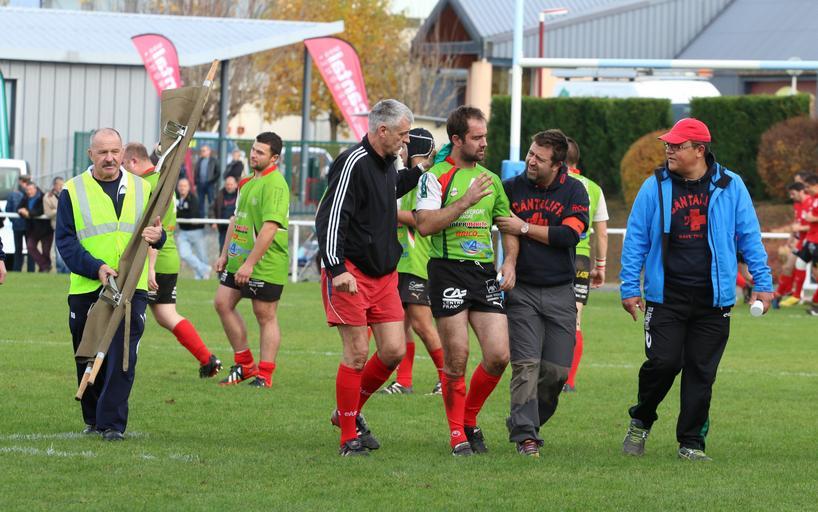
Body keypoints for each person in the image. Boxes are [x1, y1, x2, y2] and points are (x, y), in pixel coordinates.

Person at [619, 118, 773, 461]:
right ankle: (641, 419)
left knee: (701, 373)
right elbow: (636, 239)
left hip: (714, 300)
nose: (669, 151)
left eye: (677, 146)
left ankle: (691, 443)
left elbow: (749, 236)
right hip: (666, 298)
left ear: (699, 150)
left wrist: (763, 282)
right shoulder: (655, 186)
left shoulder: (731, 185)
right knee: (663, 364)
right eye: (668, 145)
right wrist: (629, 286)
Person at [315, 99, 426, 456]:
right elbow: (329, 218)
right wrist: (337, 268)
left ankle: (346, 413)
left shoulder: (388, 164)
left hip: (384, 275)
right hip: (351, 272)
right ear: (382, 130)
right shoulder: (353, 163)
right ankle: (348, 437)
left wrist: (418, 171)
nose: (407, 141)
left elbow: (388, 191)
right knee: (357, 353)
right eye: (403, 134)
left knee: (393, 350)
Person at [415, 106, 516, 456]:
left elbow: (507, 224)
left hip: (483, 272)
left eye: (485, 136)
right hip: (447, 271)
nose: (484, 143)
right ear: (457, 139)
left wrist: (510, 260)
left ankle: (469, 419)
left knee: (499, 355)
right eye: (477, 137)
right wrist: (465, 201)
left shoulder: (491, 179)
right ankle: (457, 433)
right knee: (457, 358)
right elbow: (425, 225)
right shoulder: (434, 177)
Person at [55, 127, 165, 441]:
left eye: (115, 151)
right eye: (102, 152)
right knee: (86, 352)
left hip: (131, 286)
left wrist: (159, 237)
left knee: (123, 355)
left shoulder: (143, 189)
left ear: (123, 153)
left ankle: (112, 424)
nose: (109, 158)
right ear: (90, 154)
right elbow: (65, 241)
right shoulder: (72, 191)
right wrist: (96, 268)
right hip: (87, 286)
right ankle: (93, 418)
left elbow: (157, 234)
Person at [495, 129, 589, 457]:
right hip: (521, 290)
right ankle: (526, 437)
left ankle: (526, 423)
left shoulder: (575, 190)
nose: (531, 161)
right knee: (525, 365)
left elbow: (568, 235)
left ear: (557, 165)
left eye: (539, 158)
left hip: (560, 291)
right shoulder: (511, 187)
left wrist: (523, 227)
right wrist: (510, 258)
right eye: (531, 153)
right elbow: (504, 226)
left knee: (556, 373)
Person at [123, 142, 223, 378]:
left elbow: (153, 230)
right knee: (166, 315)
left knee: (126, 314)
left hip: (154, 259)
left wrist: (150, 268)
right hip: (168, 256)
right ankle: (207, 359)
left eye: (124, 164)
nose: (122, 170)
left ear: (133, 162)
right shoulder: (162, 181)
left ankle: (118, 365)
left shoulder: (147, 185)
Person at [214, 132, 290, 388]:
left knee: (264, 314)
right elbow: (235, 219)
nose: (253, 155)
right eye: (253, 150)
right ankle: (245, 365)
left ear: (274, 158)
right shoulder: (246, 182)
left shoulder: (276, 184)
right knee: (222, 303)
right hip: (239, 261)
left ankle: (264, 375)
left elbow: (270, 227)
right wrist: (224, 254)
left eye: (260, 152)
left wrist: (250, 264)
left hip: (266, 263)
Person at [379, 128, 446, 396]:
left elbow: (421, 219)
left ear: (415, 148)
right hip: (402, 261)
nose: (400, 150)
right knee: (401, 323)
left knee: (421, 323)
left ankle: (447, 378)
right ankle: (404, 381)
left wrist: (388, 211)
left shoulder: (426, 180)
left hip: (419, 261)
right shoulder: (409, 178)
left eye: (405, 146)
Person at [563, 137, 609, 392]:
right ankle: (568, 382)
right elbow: (601, 234)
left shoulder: (552, 183)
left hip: (554, 255)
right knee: (575, 319)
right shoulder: (594, 188)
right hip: (581, 258)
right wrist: (600, 267)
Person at [779, 175, 816, 308]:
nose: (791, 196)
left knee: (813, 272)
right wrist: (792, 238)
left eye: (806, 186)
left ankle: (789, 294)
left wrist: (803, 225)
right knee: (792, 265)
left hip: (811, 240)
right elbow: (798, 223)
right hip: (806, 241)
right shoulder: (800, 204)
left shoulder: (812, 201)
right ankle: (790, 294)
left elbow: (809, 223)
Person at [791, 174, 818, 315]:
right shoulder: (813, 199)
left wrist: (813, 218)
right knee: (801, 264)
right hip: (811, 240)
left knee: (816, 272)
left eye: (808, 187)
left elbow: (812, 218)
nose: (806, 189)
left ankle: (815, 303)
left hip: (816, 241)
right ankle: (797, 295)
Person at [175, 178, 211, 279]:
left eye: (184, 186)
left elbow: (192, 214)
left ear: (188, 188)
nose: (182, 188)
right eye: (180, 186)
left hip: (196, 231)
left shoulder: (193, 198)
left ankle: (201, 277)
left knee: (201, 255)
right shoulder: (176, 198)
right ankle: (204, 269)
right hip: (183, 231)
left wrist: (179, 212)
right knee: (184, 254)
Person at [18, 181, 53, 272]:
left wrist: (28, 213)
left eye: (30, 189)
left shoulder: (44, 197)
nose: (28, 192)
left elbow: (41, 210)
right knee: (30, 246)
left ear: (35, 189)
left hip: (46, 229)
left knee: (46, 251)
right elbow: (19, 208)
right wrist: (22, 212)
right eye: (27, 190)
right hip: (33, 229)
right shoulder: (25, 198)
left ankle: (43, 269)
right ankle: (45, 266)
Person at [5, 175, 34, 272]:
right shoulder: (32, 193)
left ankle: (17, 270)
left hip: (18, 226)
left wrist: (13, 220)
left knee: (18, 250)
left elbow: (8, 209)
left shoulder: (13, 194)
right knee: (30, 249)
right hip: (29, 225)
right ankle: (30, 271)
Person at [44, 176, 69, 274]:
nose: (61, 187)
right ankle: (60, 270)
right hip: (57, 227)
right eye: (59, 185)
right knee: (59, 251)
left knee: (68, 249)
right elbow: (48, 213)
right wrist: (58, 210)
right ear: (54, 185)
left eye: (62, 184)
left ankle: (67, 270)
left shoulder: (67, 194)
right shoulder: (48, 197)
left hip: (69, 226)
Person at [211, 175, 239, 252]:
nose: (229, 186)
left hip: (236, 229)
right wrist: (213, 221)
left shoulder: (240, 196)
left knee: (235, 251)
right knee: (223, 249)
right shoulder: (219, 195)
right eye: (227, 184)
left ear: (236, 185)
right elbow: (212, 208)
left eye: (231, 184)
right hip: (223, 229)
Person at [194, 145, 220, 218]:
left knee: (211, 202)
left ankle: (211, 219)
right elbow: (196, 172)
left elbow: (218, 172)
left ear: (209, 151)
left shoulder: (214, 160)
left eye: (204, 150)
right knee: (200, 203)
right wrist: (196, 183)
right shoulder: (199, 160)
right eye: (201, 151)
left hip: (210, 185)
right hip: (200, 184)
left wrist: (212, 181)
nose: (202, 152)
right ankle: (201, 220)